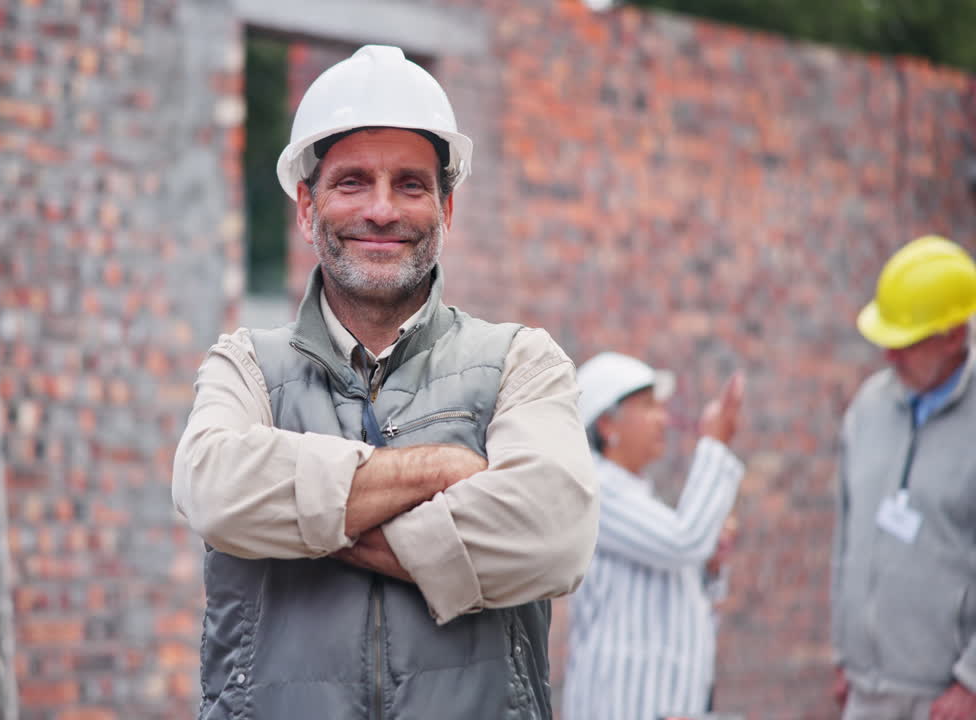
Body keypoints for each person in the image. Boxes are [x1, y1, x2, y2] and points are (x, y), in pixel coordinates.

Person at [171, 44, 599, 719]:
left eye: (409, 184)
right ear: (308, 206)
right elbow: (215, 491)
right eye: (352, 182)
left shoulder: (521, 361)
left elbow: (556, 533)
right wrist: (443, 469)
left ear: (446, 208)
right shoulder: (247, 364)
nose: (380, 210)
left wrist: (317, 522)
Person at [831, 235, 976, 720]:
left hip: (948, 699)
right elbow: (846, 538)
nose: (888, 358)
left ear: (954, 336)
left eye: (905, 343)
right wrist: (843, 651)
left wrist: (972, 680)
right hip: (866, 689)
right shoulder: (868, 409)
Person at [563, 351, 746, 720]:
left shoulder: (635, 495)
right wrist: (715, 444)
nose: (664, 418)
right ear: (607, 425)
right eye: (648, 406)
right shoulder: (593, 490)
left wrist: (709, 566)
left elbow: (684, 584)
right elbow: (684, 541)